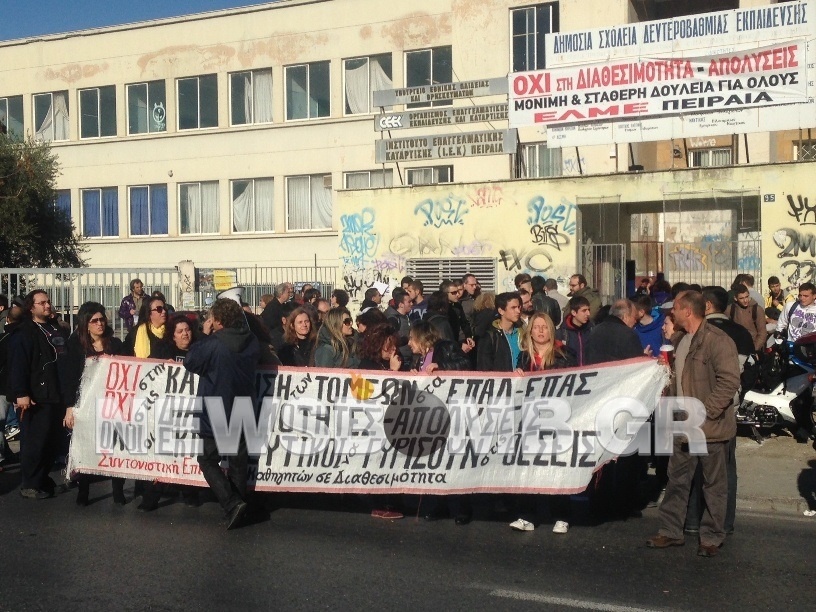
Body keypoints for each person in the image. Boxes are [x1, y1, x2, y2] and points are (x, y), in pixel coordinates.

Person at [647, 291, 741, 558]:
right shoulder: (679, 341)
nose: (670, 313)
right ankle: (670, 531)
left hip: (710, 428)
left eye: (675, 308)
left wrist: (704, 413)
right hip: (682, 427)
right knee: (677, 480)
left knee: (713, 485)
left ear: (687, 311)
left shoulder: (717, 341)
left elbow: (729, 381)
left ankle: (711, 536)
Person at [683, 286, 754, 537]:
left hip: (701, 412)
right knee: (725, 471)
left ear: (708, 306)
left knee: (696, 469)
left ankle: (694, 521)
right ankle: (724, 523)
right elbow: (749, 374)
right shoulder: (742, 334)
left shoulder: (696, 334)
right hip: (727, 411)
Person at [184, 298, 260, 530]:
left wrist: (205, 336)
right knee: (237, 463)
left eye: (211, 319)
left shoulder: (215, 342)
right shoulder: (252, 341)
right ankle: (239, 508)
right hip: (244, 405)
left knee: (207, 459)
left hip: (218, 405)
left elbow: (191, 361)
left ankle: (231, 503)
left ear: (218, 320)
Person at [510, 312, 573, 534]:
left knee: (556, 466)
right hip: (530, 418)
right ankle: (527, 515)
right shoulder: (524, 357)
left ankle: (561, 516)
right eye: (536, 327)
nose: (540, 331)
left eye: (544, 327)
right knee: (528, 467)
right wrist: (517, 375)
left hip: (557, 418)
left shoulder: (564, 354)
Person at [61, 304, 126, 506]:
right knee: (87, 448)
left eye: (102, 319)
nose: (100, 324)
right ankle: (84, 490)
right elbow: (69, 378)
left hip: (113, 404)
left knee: (116, 448)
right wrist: (69, 408)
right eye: (94, 321)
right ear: (85, 324)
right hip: (86, 404)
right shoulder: (76, 347)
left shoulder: (115, 344)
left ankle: (118, 491)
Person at [408, 321, 472, 525]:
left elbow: (465, 365)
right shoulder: (417, 359)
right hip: (429, 416)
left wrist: (442, 367)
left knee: (452, 461)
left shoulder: (445, 347)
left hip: (450, 412)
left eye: (411, 338)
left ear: (421, 337)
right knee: (433, 462)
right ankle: (436, 506)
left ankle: (459, 509)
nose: (409, 343)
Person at [7, 290, 68, 499]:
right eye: (42, 303)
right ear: (31, 307)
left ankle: (43, 480)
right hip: (35, 395)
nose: (47, 305)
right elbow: (18, 365)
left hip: (55, 393)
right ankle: (30, 484)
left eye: (48, 302)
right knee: (35, 442)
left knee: (52, 441)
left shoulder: (54, 329)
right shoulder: (24, 332)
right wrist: (21, 393)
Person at [477, 292, 522, 372]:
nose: (518, 311)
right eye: (513, 308)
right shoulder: (490, 337)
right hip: (501, 383)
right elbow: (484, 368)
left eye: (519, 307)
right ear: (501, 311)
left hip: (521, 383)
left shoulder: (522, 333)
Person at [725, 284, 767, 352]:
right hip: (735, 349)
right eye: (741, 298)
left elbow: (762, 333)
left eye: (746, 297)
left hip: (753, 348)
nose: (745, 300)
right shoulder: (730, 310)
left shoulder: (757, 310)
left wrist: (754, 348)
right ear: (735, 298)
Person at [556, 295, 594, 366]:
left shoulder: (593, 330)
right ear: (574, 312)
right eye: (584, 311)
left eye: (589, 310)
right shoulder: (561, 334)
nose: (588, 314)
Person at [384, 288, 413, 364]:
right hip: (399, 359)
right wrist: (406, 339)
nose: (412, 304)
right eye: (409, 302)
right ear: (401, 305)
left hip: (409, 358)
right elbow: (390, 340)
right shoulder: (393, 319)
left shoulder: (407, 317)